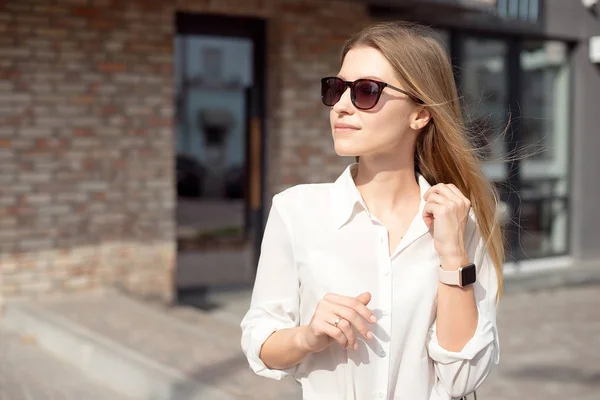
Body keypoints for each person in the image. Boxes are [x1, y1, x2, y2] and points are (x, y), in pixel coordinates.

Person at [240, 21, 503, 400]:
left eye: (366, 91)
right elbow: (260, 343)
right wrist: (308, 336)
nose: (341, 106)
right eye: (336, 89)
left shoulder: (461, 221)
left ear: (420, 114)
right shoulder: (295, 210)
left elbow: (463, 378)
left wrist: (452, 256)